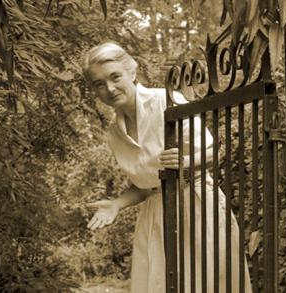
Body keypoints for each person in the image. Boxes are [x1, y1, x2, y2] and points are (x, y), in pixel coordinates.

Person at [83, 42, 251, 293]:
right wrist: (116, 204)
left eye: (115, 76)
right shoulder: (114, 132)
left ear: (132, 71)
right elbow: (147, 186)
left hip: (196, 205)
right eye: (98, 83)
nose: (109, 88)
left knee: (206, 284)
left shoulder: (166, 101)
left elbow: (212, 152)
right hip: (155, 219)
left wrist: (182, 163)